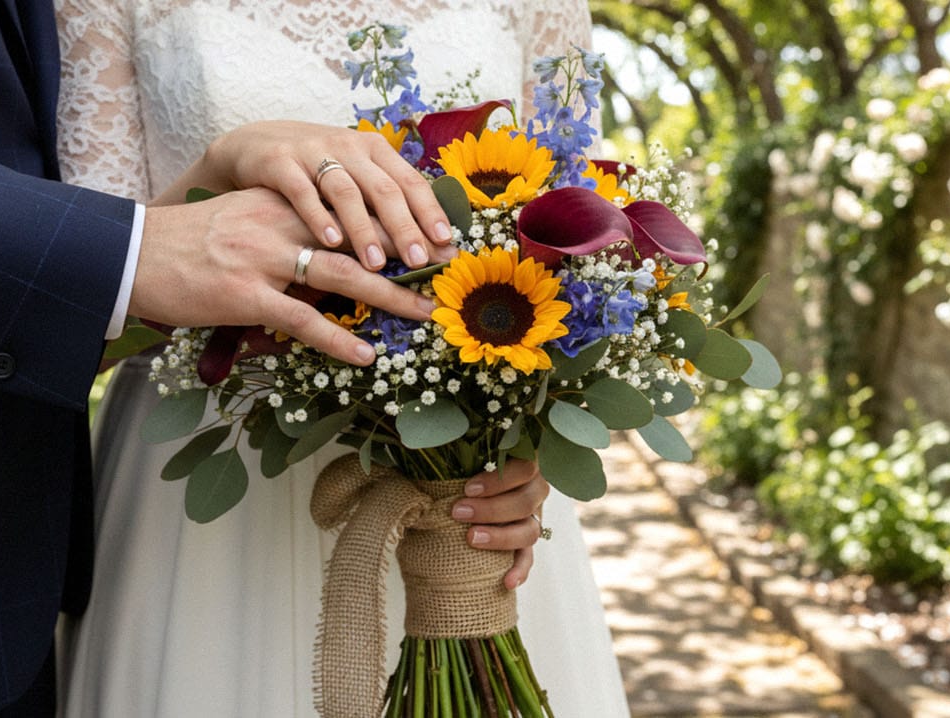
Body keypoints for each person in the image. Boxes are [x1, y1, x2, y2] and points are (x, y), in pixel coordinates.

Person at [0, 0, 538, 714]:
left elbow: (575, 236)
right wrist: (151, 241)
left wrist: (521, 436)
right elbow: (104, 306)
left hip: (474, 521)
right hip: (188, 527)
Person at [51, 0, 630, 715]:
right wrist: (213, 181)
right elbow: (68, 300)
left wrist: (529, 450)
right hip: (199, 523)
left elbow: (581, 249)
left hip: (464, 506)